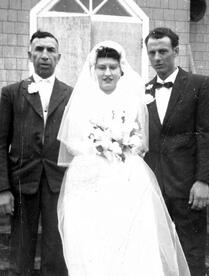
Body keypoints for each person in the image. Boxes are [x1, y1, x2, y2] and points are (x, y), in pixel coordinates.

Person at [57, 40, 190, 276]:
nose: (107, 73)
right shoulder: (81, 101)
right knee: (94, 241)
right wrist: (101, 146)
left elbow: (141, 140)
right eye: (102, 67)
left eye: (112, 67)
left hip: (128, 176)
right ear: (93, 70)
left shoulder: (133, 100)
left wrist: (126, 143)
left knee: (133, 239)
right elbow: (73, 141)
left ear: (121, 70)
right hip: (90, 177)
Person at [144, 27, 209, 276]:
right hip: (153, 185)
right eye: (152, 52)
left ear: (176, 51)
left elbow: (208, 135)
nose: (157, 58)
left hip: (187, 185)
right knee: (154, 250)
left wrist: (202, 180)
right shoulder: (142, 90)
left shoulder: (200, 84)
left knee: (191, 250)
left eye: (163, 51)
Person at [0, 30, 72, 275]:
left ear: (59, 57)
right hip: (23, 182)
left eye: (50, 50)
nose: (44, 55)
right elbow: (0, 143)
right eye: (39, 49)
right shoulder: (11, 93)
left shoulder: (71, 95)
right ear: (29, 54)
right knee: (21, 251)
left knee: (56, 249)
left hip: (58, 183)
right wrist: (3, 189)